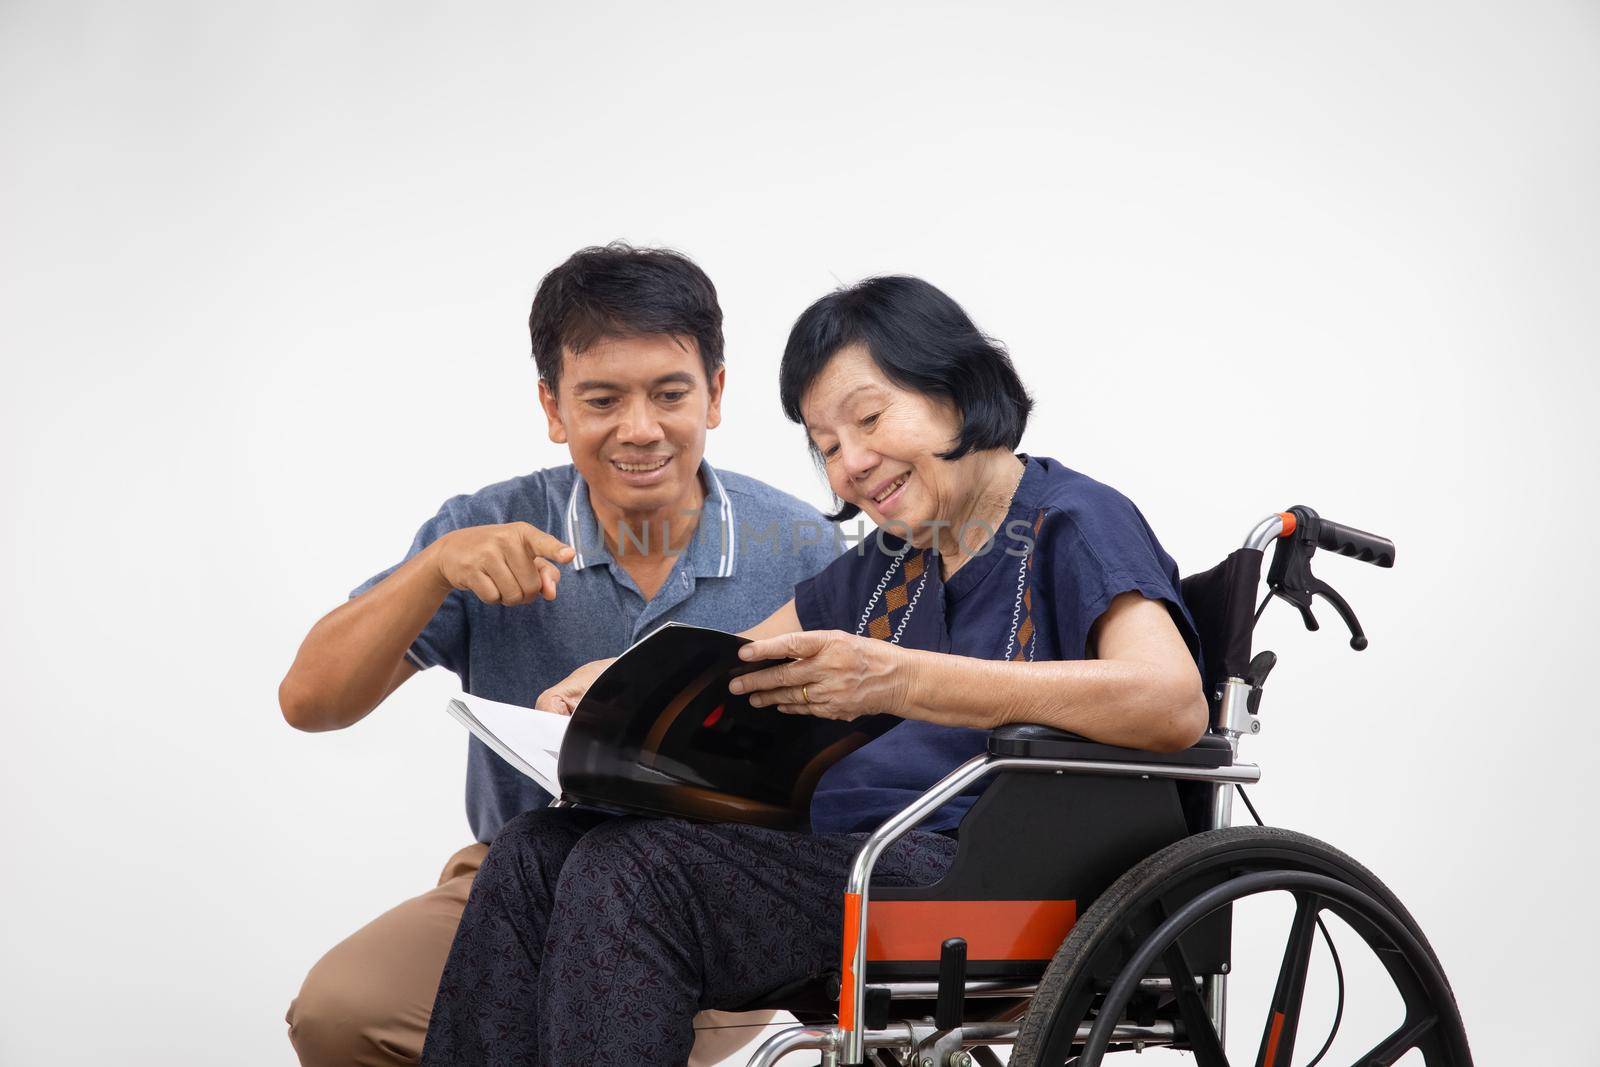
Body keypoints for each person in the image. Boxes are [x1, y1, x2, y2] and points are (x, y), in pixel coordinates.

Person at [420, 275, 1211, 1066]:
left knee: (635, 871)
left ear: (960, 388)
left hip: (980, 873)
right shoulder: (891, 561)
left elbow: (1172, 703)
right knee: (535, 848)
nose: (852, 464)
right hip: (844, 857)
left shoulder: (1072, 520)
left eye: (869, 418)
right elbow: (737, 663)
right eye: (827, 445)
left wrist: (904, 680)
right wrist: (616, 684)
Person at [278, 244, 840, 1067]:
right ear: (553, 405)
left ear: (716, 395)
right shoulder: (487, 528)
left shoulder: (800, 546)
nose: (639, 428)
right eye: (602, 398)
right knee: (340, 1011)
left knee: (603, 1023)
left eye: (670, 394)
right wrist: (431, 572)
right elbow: (310, 701)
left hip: (714, 896)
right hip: (518, 874)